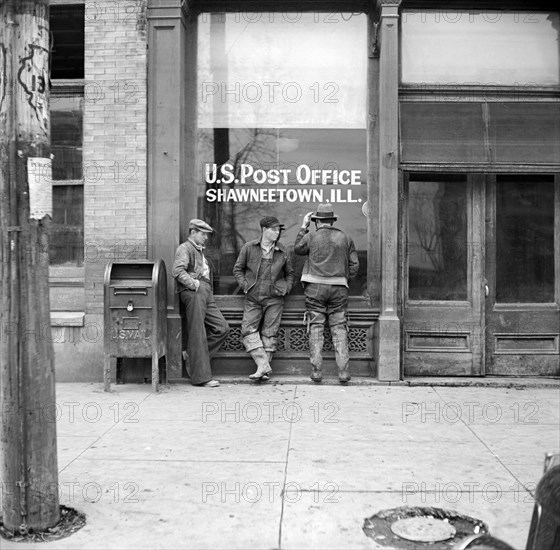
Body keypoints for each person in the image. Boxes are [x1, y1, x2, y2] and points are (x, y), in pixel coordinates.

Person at [294, 204, 359, 384]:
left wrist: (303, 226)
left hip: (314, 288)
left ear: (317, 222)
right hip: (339, 288)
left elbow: (298, 249)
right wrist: (345, 281)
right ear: (332, 220)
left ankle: (316, 372)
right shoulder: (345, 237)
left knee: (316, 328)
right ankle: (343, 373)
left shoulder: (310, 236)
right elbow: (354, 265)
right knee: (339, 328)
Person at [233, 216, 295, 380]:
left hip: (274, 298)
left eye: (278, 230)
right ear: (264, 230)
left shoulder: (282, 251)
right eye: (274, 229)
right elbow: (238, 269)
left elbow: (290, 273)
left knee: (269, 334)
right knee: (248, 331)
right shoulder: (249, 247)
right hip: (253, 296)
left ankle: (263, 371)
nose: (277, 233)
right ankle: (264, 366)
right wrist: (245, 285)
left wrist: (286, 288)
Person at [172, 219, 230, 387]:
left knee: (222, 328)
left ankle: (192, 355)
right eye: (203, 234)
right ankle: (201, 378)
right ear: (193, 233)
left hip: (205, 292)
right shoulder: (185, 248)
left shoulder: (199, 251)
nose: (206, 237)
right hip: (194, 292)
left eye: (207, 235)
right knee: (198, 333)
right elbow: (177, 270)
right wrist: (193, 284)